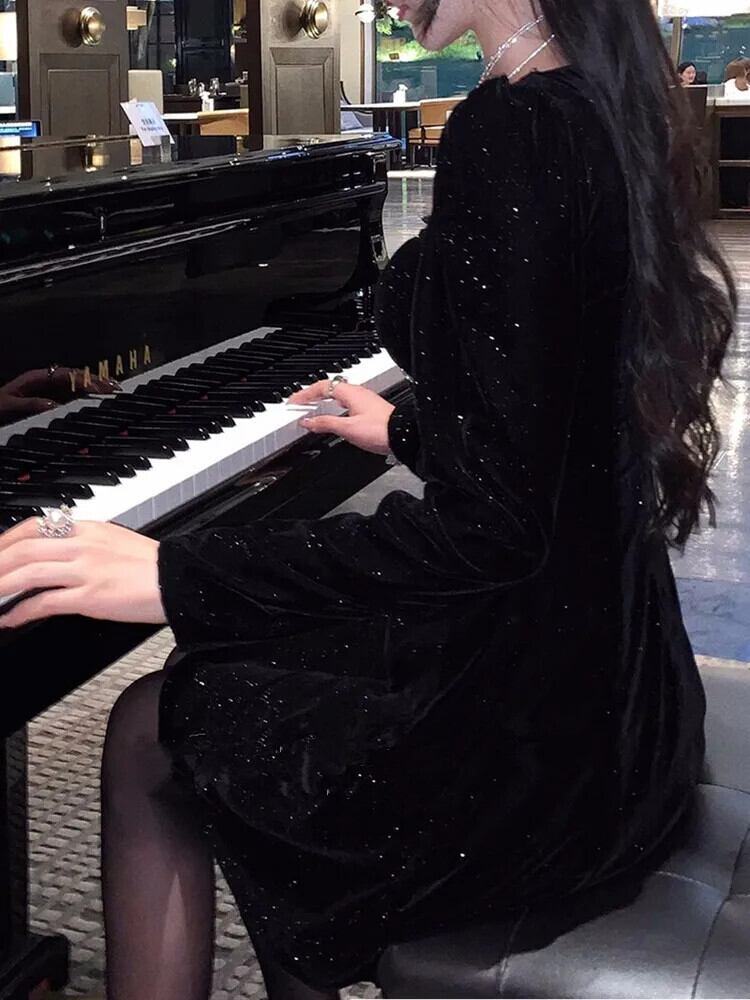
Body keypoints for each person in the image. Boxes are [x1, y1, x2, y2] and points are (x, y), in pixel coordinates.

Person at [0, 0, 735, 997]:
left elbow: (493, 529)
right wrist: (407, 431)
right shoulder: (599, 99)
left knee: (150, 728)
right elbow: (569, 437)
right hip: (618, 696)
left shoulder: (513, 128)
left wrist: (177, 572)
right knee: (217, 686)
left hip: (534, 757)